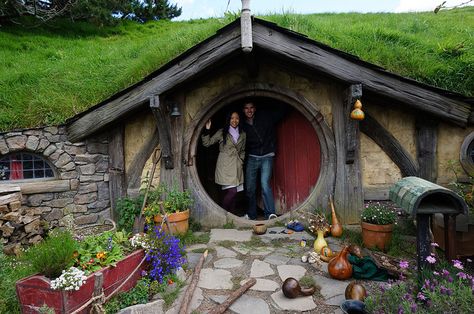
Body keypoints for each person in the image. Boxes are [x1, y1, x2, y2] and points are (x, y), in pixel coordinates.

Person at [241, 101, 285, 220]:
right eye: (246, 108)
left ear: (255, 109)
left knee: (265, 184)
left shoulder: (265, 117)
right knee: (250, 187)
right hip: (252, 157)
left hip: (267, 155)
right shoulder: (242, 125)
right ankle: (251, 214)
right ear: (243, 110)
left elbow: (281, 112)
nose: (249, 110)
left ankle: (270, 213)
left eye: (251, 108)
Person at [201, 111, 246, 212]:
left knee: (235, 194)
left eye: (237, 118)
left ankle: (232, 217)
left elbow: (243, 150)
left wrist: (241, 160)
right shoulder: (222, 132)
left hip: (237, 166)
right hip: (225, 166)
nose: (234, 120)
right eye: (232, 118)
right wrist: (207, 129)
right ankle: (223, 212)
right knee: (232, 191)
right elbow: (207, 143)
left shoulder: (243, 134)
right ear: (228, 119)